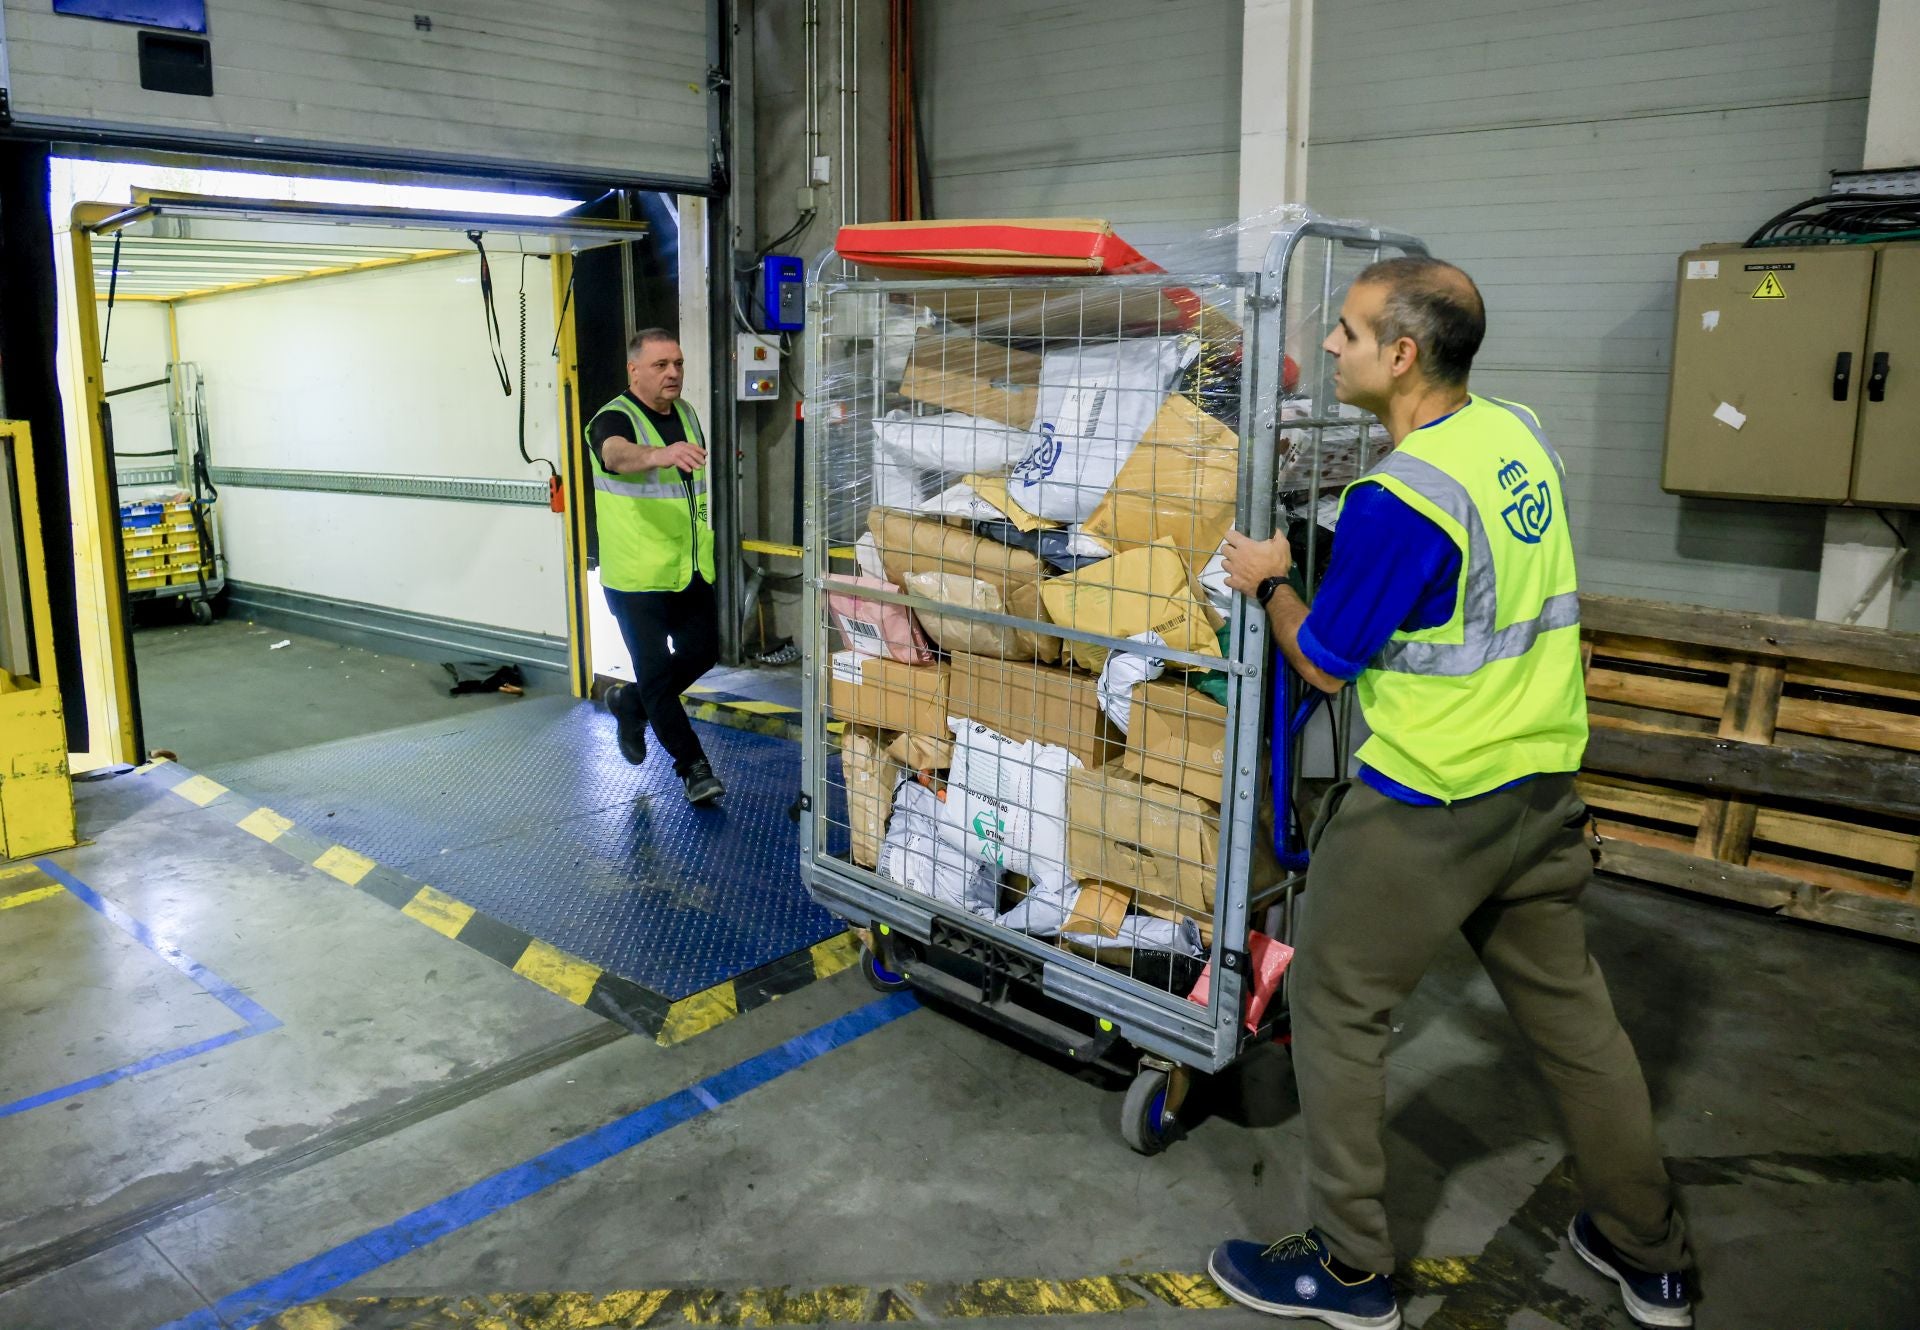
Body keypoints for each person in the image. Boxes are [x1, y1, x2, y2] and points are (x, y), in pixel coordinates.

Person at [1210, 258, 1694, 1330]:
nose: (1327, 348)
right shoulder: (1514, 434)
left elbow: (1328, 661)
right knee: (1577, 1025)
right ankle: (1648, 1249)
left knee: (1335, 1002)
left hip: (1430, 803)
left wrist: (1271, 578)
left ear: (1401, 355)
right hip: (1540, 789)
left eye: (1343, 332)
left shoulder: (1401, 499)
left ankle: (1346, 1268)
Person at [588, 328, 724, 805]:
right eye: (661, 365)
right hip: (636, 577)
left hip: (687, 569)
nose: (673, 373)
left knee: (704, 652)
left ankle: (629, 703)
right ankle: (693, 767)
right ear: (634, 370)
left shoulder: (686, 413)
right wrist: (658, 455)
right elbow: (615, 455)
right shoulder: (611, 419)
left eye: (679, 364)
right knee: (657, 674)